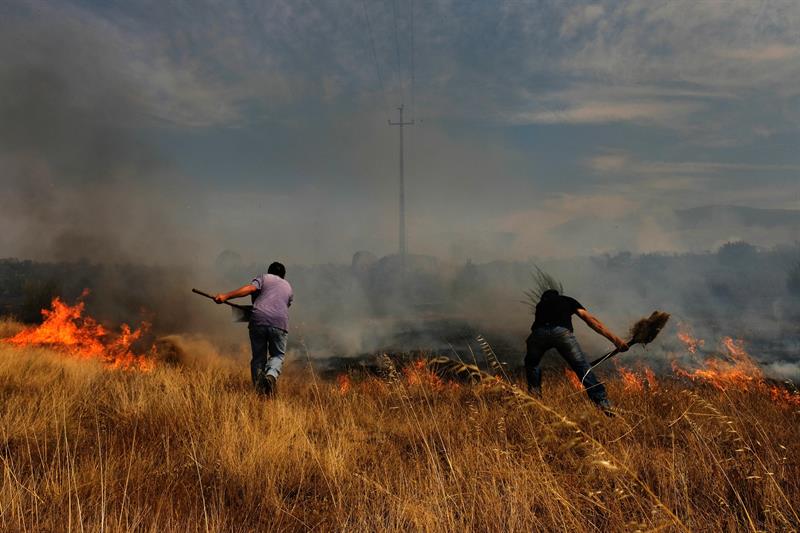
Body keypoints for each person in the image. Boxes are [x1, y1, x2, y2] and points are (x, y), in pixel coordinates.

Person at [525, 289, 628, 411]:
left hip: (538, 335)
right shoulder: (567, 300)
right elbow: (590, 320)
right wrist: (616, 340)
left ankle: (535, 401)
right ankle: (602, 402)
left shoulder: (541, 305)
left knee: (532, 364)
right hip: (562, 334)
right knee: (582, 367)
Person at [214, 262, 293, 396]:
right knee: (277, 355)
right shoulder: (288, 287)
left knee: (258, 359)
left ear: (269, 272)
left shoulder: (264, 278)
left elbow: (250, 289)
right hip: (280, 323)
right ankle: (271, 375)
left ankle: (260, 392)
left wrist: (226, 296)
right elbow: (285, 304)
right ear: (283, 275)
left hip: (258, 320)